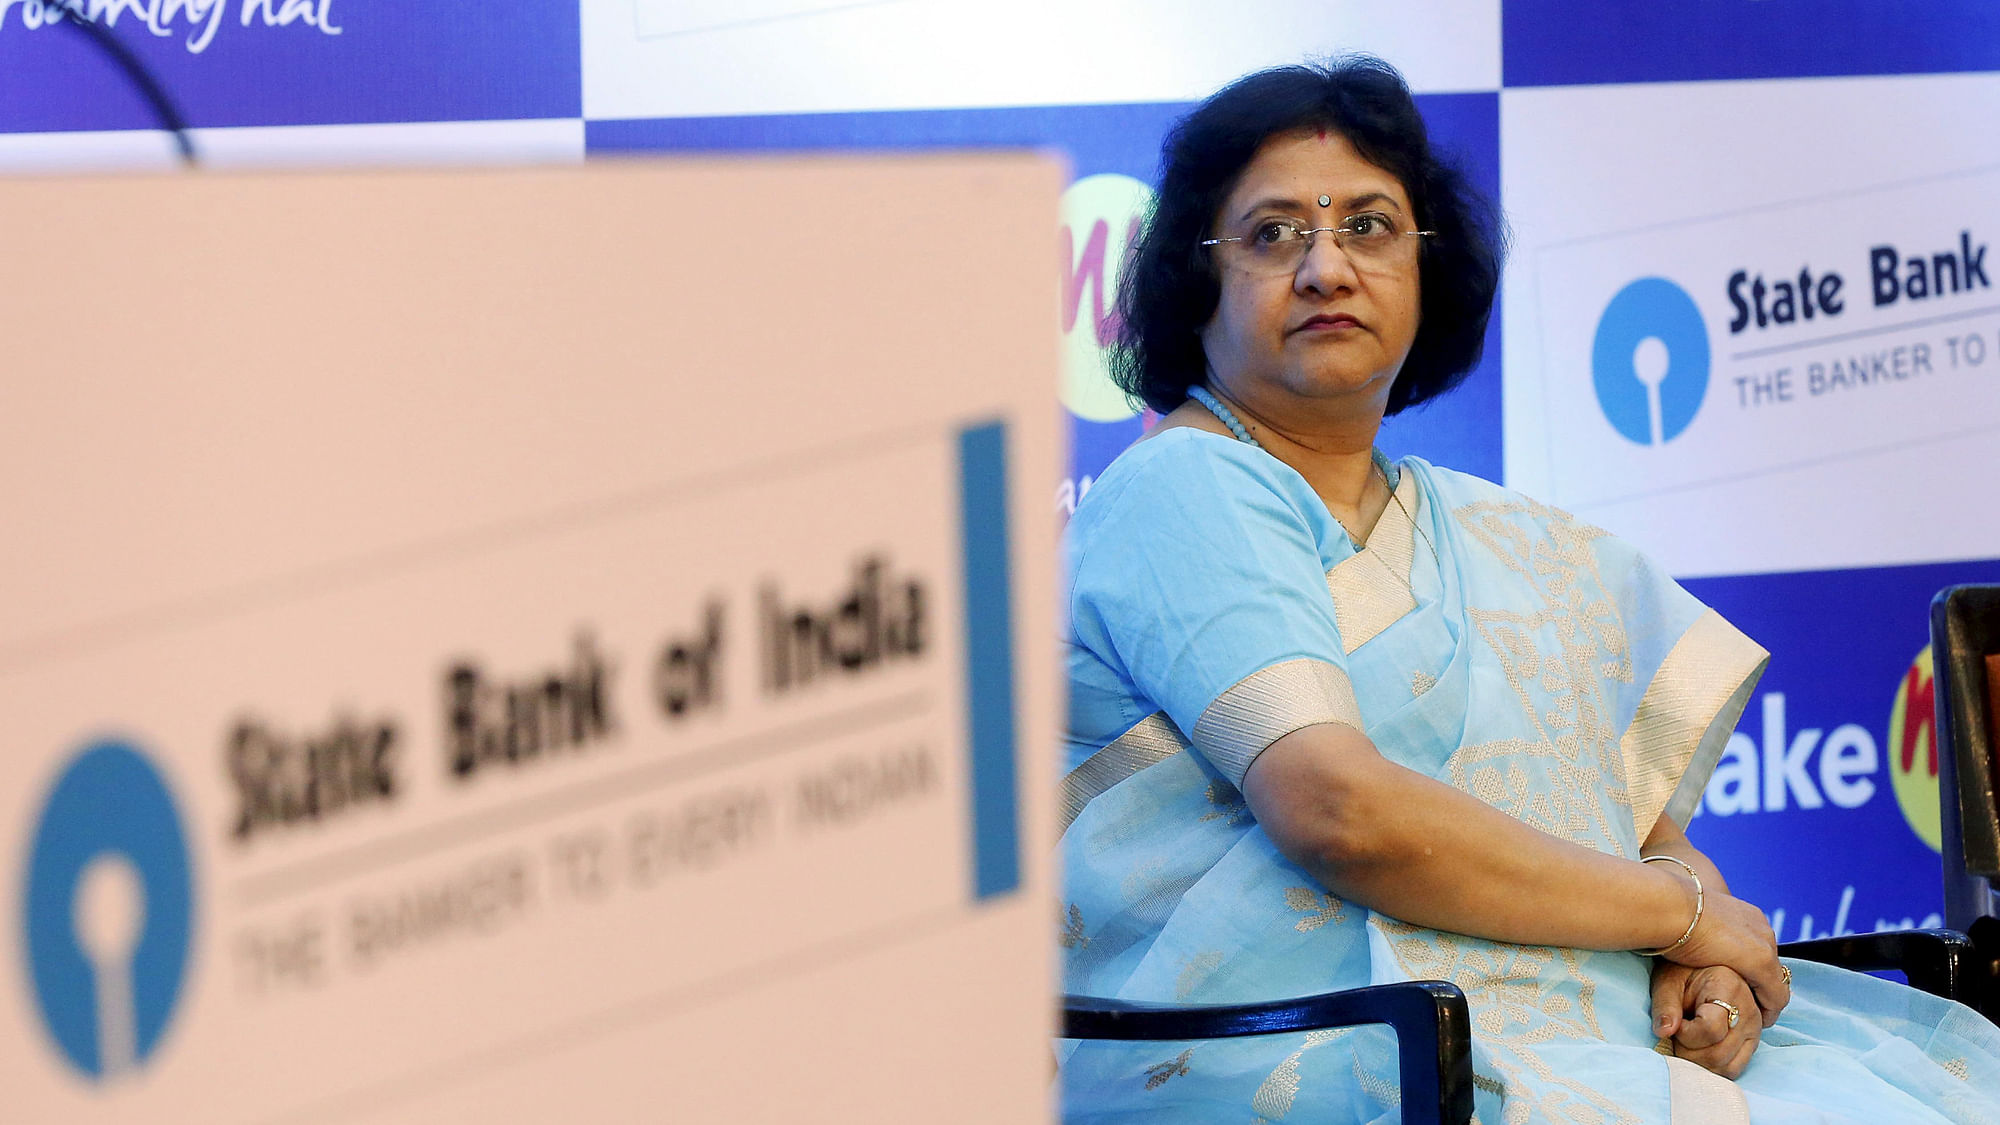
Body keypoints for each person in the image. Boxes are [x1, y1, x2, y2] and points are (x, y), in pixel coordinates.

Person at [1057, 57, 2000, 1124]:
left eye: (1367, 225)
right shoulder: (1183, 487)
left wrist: (1707, 974)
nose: (1325, 267)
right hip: (1309, 1051)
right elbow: (1337, 812)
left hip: (1549, 1031)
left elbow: (1626, 826)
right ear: (1199, 284)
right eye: (1272, 234)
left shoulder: (1495, 536)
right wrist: (1677, 917)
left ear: (1427, 267)